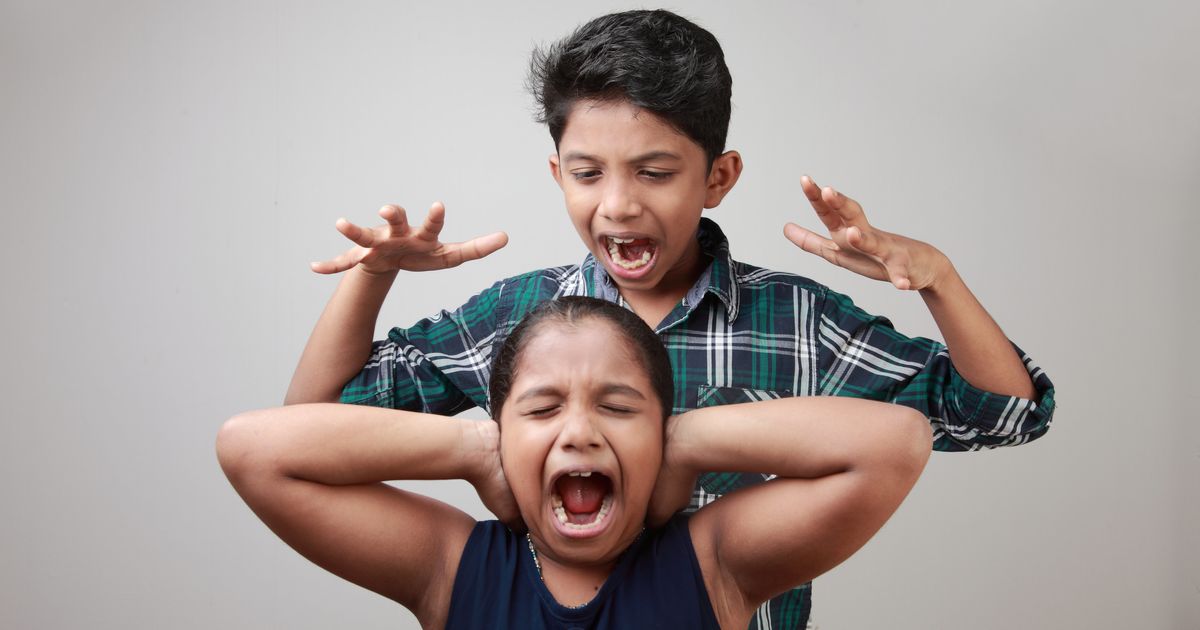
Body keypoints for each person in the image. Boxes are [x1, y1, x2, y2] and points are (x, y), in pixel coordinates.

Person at [284, 9, 1056, 628]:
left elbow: (1002, 413)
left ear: (718, 177)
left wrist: (939, 279)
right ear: (558, 174)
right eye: (587, 173)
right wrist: (373, 278)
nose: (618, 204)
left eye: (654, 172)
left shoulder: (794, 318)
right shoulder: (521, 317)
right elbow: (312, 425)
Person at [220, 297, 932, 629]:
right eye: (541, 409)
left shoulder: (715, 564)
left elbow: (896, 442)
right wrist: (472, 451)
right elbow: (252, 447)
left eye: (619, 408)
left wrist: (685, 445)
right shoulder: (452, 568)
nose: (580, 432)